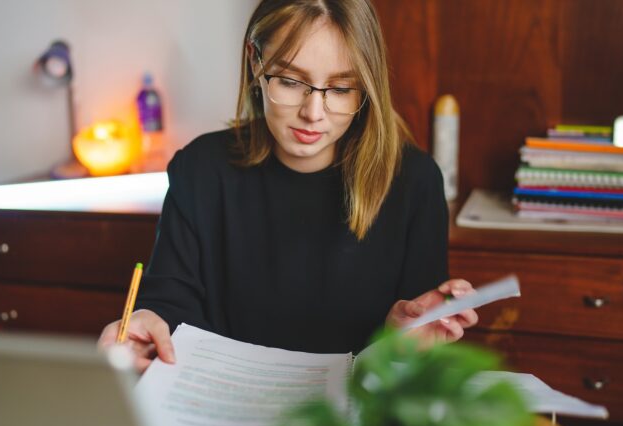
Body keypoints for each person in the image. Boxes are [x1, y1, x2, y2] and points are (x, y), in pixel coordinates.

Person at [99, 0, 478, 373]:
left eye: (341, 89)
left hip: (354, 423)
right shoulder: (200, 169)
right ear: (255, 62)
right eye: (290, 82)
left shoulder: (414, 181)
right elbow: (170, 305)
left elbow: (415, 357)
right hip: (220, 414)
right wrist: (147, 322)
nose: (313, 113)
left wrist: (399, 339)